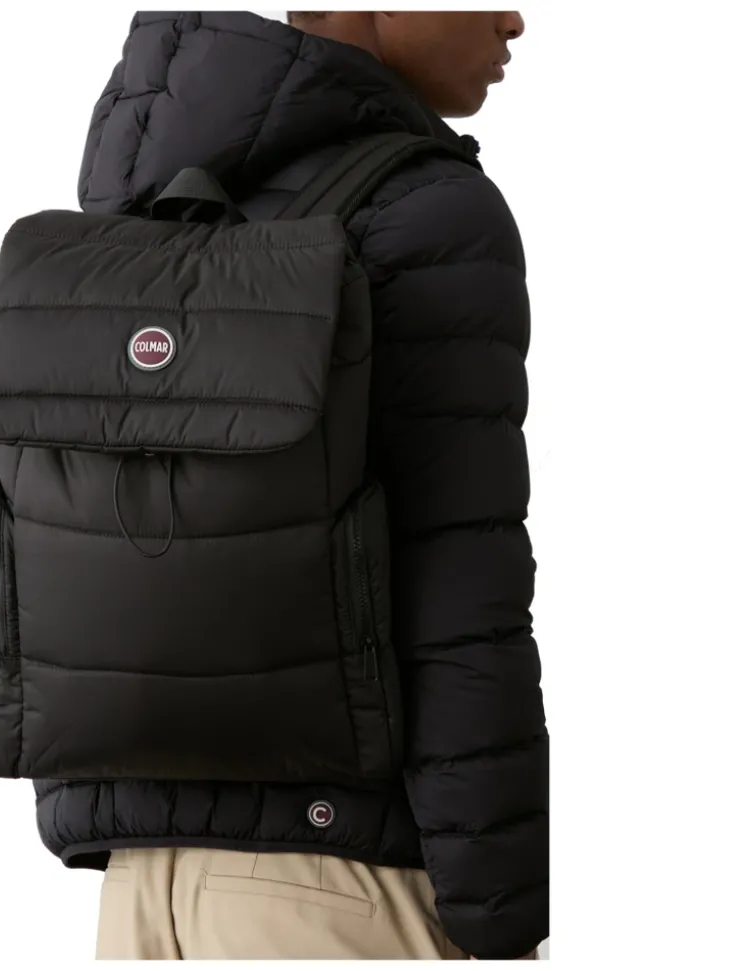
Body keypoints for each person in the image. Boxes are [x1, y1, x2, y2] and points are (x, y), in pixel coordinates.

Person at [42, 10, 548, 960]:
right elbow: (460, 585)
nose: (513, 16)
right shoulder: (430, 211)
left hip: (141, 884)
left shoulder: (143, 195)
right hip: (342, 882)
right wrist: (505, 912)